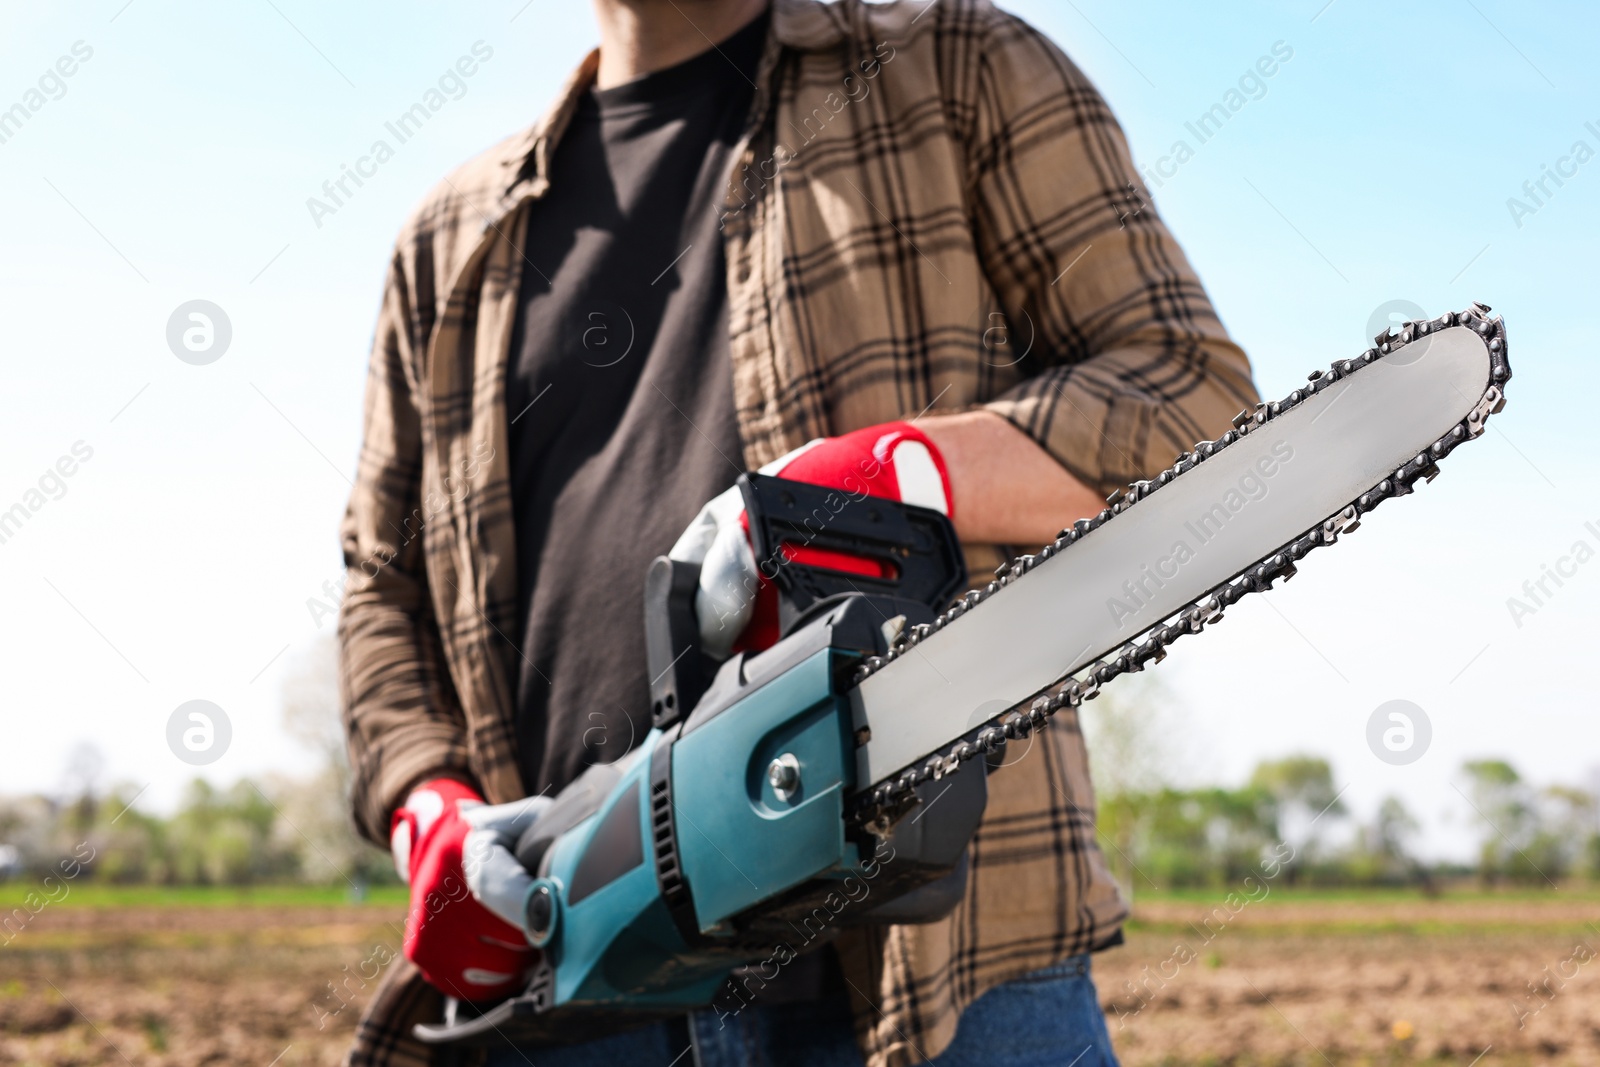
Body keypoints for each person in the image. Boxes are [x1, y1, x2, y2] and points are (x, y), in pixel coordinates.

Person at [337, 0, 1258, 1064]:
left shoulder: (955, 66)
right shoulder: (449, 240)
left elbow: (1190, 402)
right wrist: (428, 809)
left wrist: (888, 471)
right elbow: (379, 588)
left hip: (936, 976)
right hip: (572, 975)